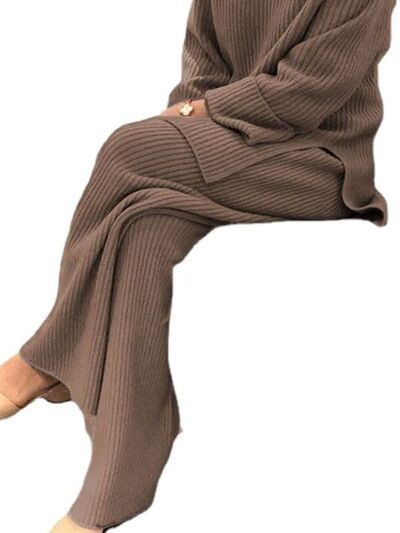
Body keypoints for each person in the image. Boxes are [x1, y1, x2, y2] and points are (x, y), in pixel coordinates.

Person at [0, 0, 396, 531]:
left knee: (127, 147)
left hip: (319, 160)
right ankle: (118, 479)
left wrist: (196, 116)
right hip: (232, 141)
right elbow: (202, 66)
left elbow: (310, 90)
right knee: (142, 226)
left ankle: (45, 356)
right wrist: (195, 116)